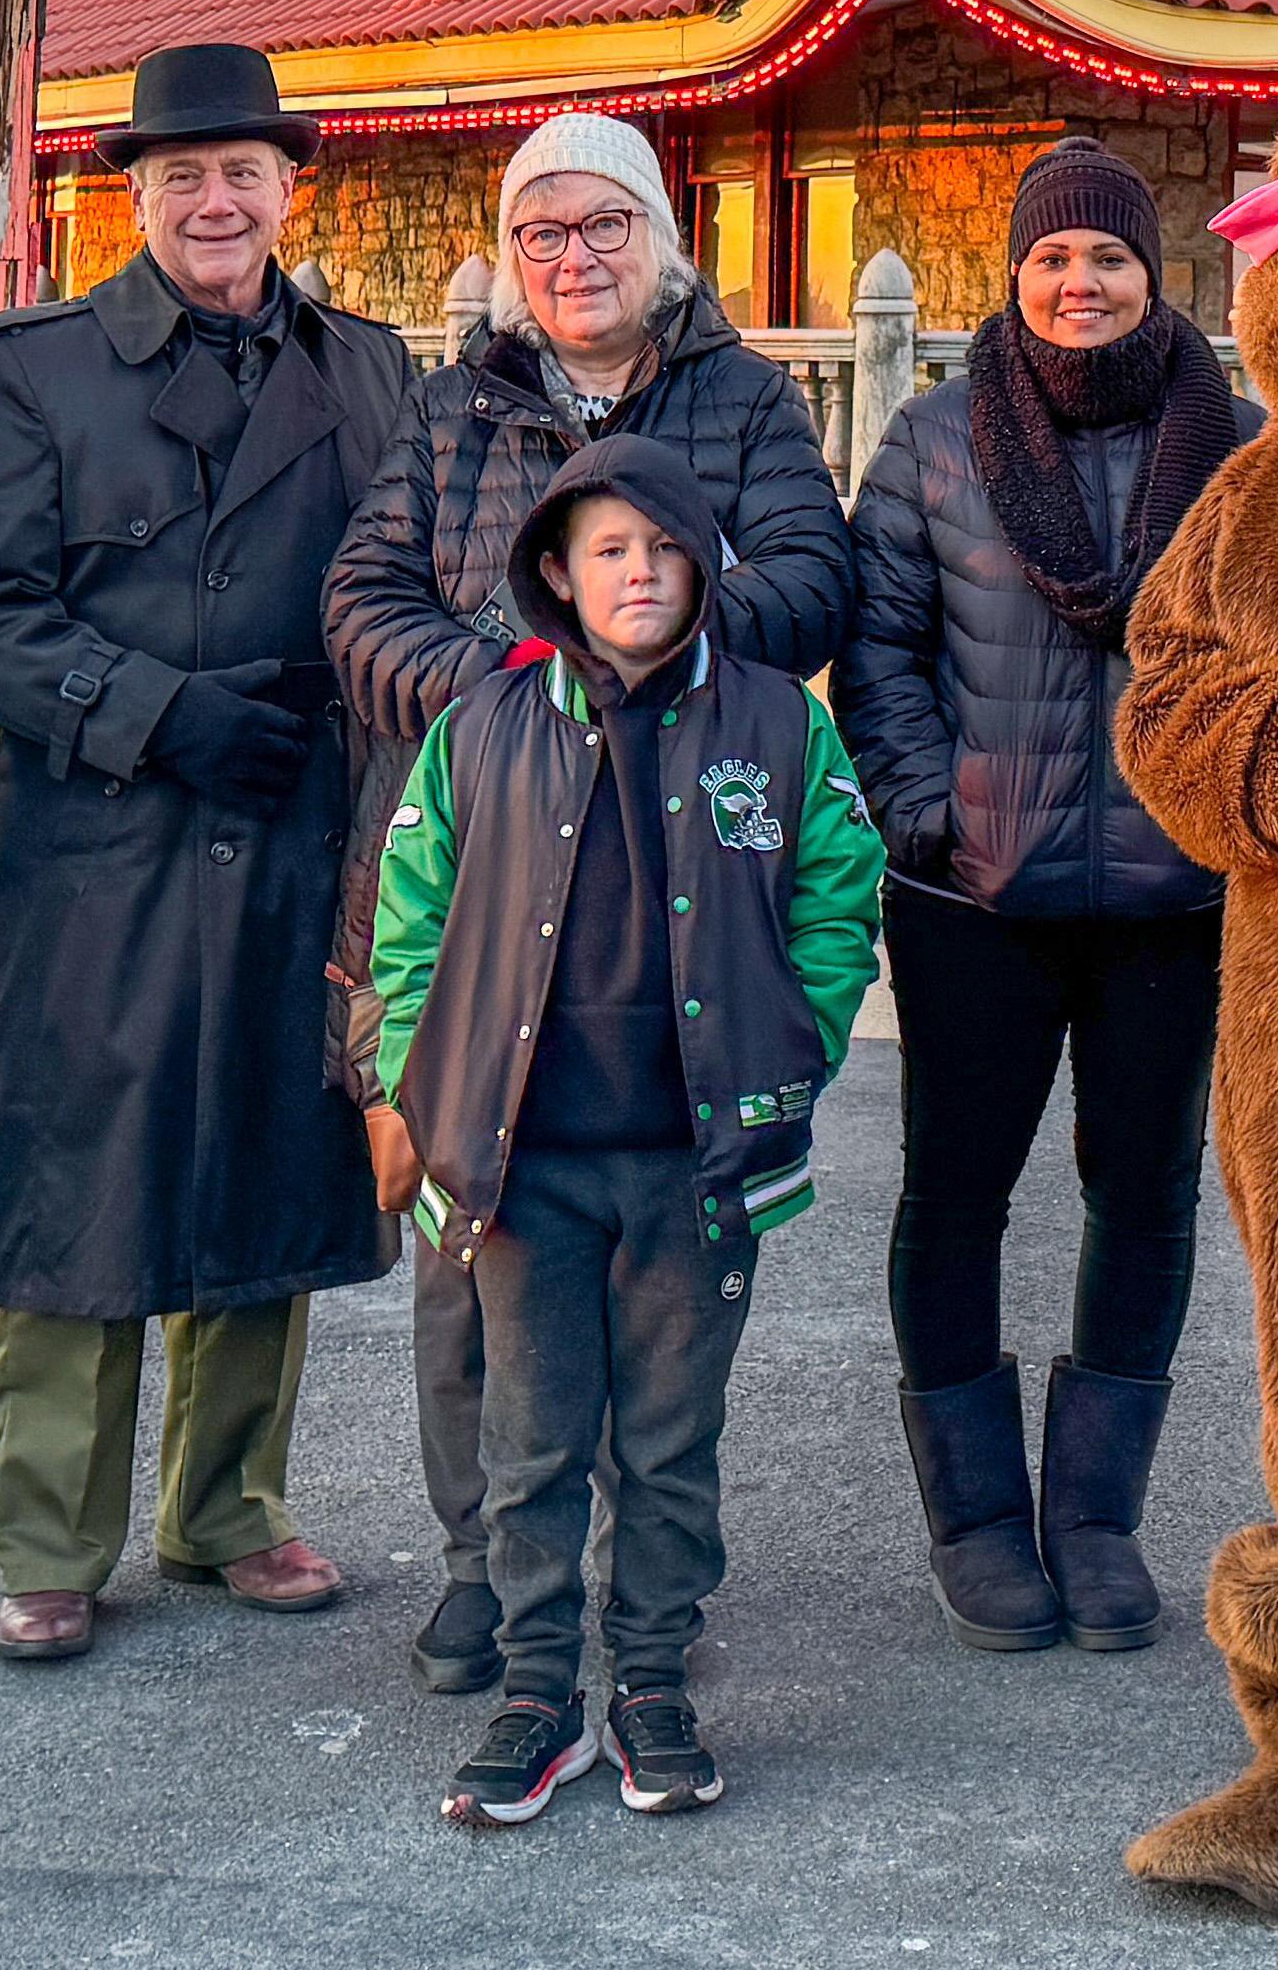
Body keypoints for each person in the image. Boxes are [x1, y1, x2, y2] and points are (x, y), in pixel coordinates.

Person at [323, 108, 852, 1702]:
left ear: (659, 238)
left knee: (663, 1280)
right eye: (542, 233)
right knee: (465, 1250)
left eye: (603, 225)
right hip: (468, 870)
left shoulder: (743, 398)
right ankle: (487, 1567)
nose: (573, 257)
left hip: (680, 878)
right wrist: (513, 688)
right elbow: (361, 602)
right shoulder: (450, 409)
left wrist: (652, 658)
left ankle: (640, 1591)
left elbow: (810, 576)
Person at [0, 43, 423, 1661]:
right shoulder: (32, 369)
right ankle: (49, 1537)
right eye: (181, 173)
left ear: (291, 185)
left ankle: (228, 1509)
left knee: (267, 1161)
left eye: (244, 170)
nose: (216, 199)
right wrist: (150, 710)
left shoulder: (369, 369)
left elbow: (412, 573)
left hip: (296, 821)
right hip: (106, 836)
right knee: (86, 1181)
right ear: (132, 193)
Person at [357, 437, 885, 1828]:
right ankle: (540, 1694)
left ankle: (652, 1677)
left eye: (662, 549)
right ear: (557, 574)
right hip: (525, 1168)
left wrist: (804, 1038)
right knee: (531, 1441)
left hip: (696, 1167)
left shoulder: (781, 724)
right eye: (608, 552)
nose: (638, 574)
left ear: (703, 561)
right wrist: (420, 1080)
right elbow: (405, 925)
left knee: (666, 1441)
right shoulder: (482, 726)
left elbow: (839, 893)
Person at [838, 136, 1253, 1657]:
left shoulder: (1237, 443)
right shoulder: (938, 440)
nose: (1079, 283)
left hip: (1175, 893)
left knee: (1142, 1196)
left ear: (1158, 277)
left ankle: (1095, 1517)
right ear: (1013, 275)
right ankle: (979, 1524)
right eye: (1052, 259)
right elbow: (878, 645)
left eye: (1110, 260)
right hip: (973, 903)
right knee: (956, 1196)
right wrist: (926, 812)